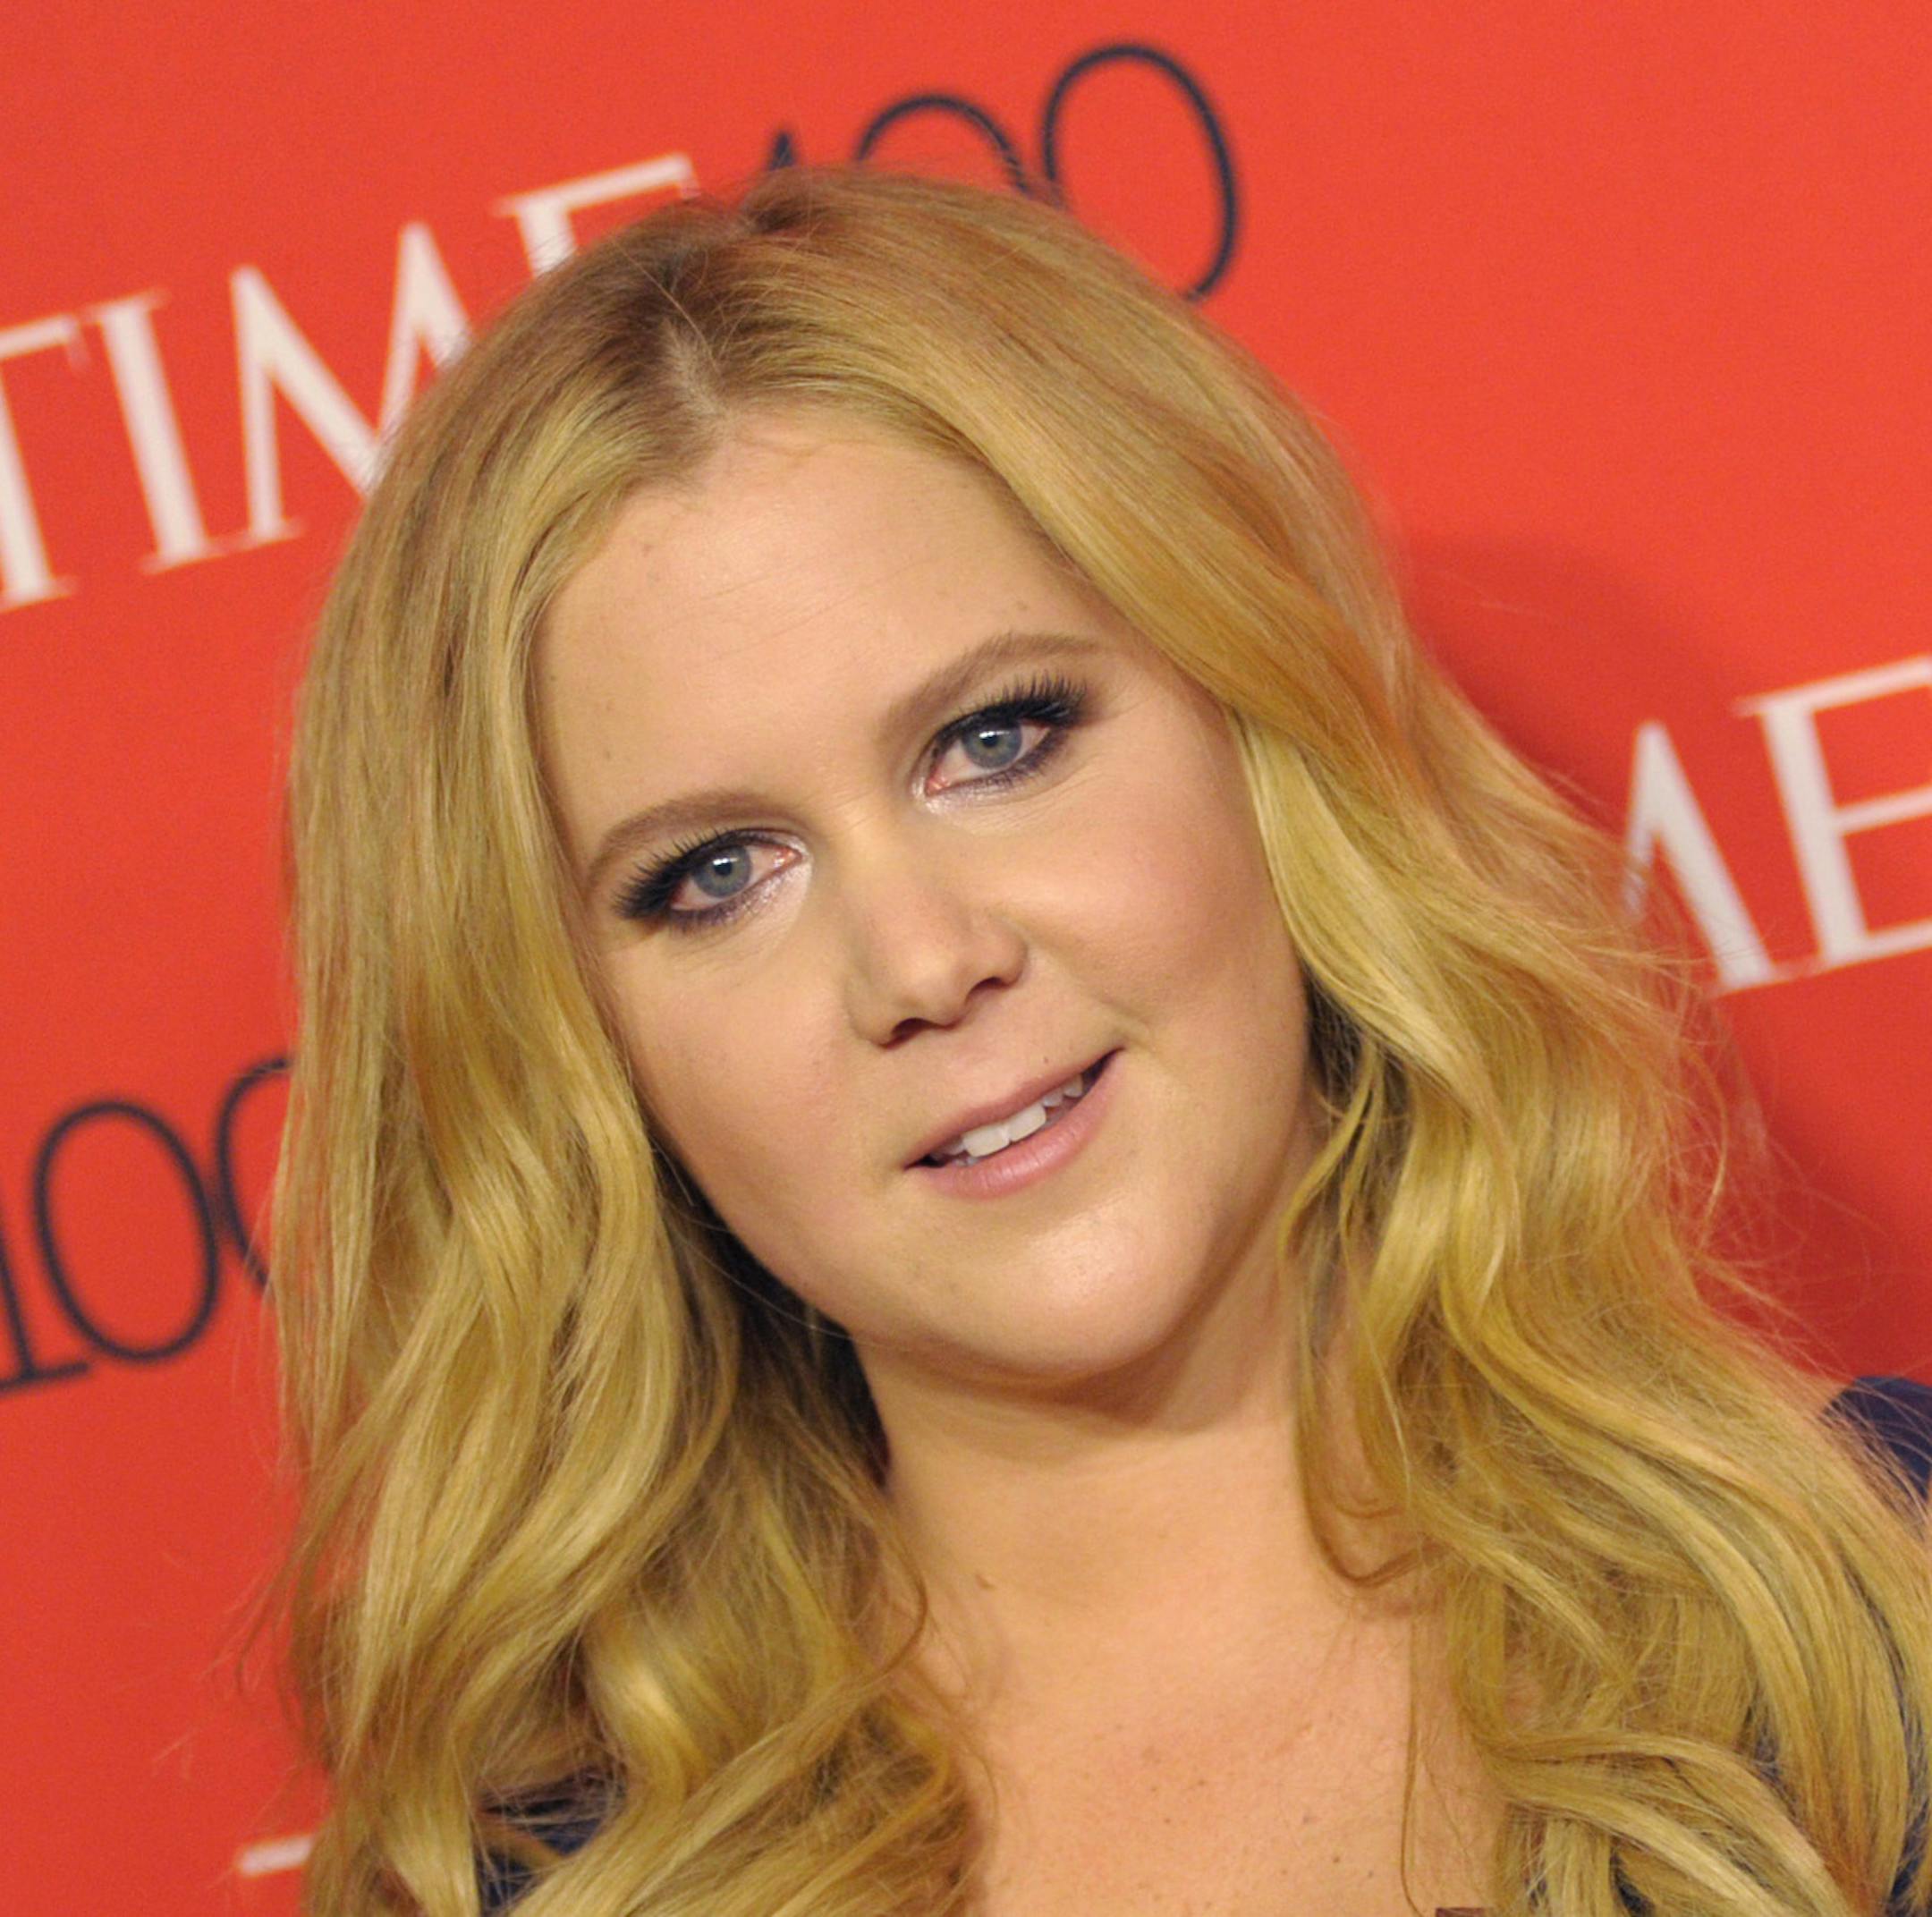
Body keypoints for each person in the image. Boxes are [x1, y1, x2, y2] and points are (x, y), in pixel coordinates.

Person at [267, 163, 1932, 1917]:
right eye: (718, 875)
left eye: (996, 740)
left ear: (1258, 718)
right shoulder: (541, 1890)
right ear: (583, 1054)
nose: (924, 960)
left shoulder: (1874, 1614)